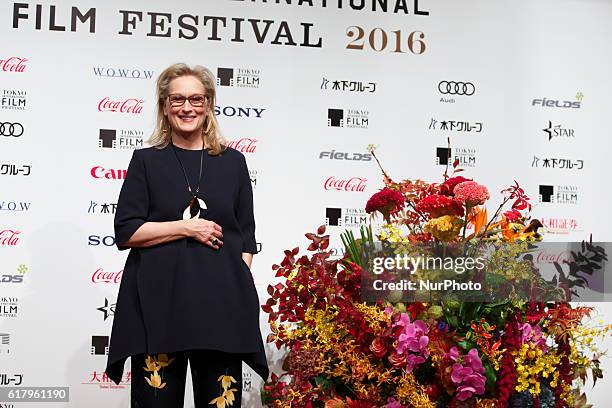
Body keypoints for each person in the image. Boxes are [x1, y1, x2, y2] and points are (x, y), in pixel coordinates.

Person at [104, 63, 268, 407]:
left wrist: (231, 282)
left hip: (220, 313)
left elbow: (246, 237)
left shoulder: (233, 162)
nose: (187, 108)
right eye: (177, 99)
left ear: (209, 104)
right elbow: (126, 230)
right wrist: (186, 227)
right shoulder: (147, 161)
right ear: (165, 106)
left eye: (196, 98)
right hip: (158, 310)